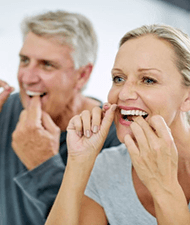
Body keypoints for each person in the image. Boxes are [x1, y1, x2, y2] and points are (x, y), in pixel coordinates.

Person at [45, 24, 190, 225]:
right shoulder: (107, 167)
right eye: (119, 78)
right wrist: (78, 164)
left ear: (187, 97)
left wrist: (163, 188)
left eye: (148, 80)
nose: (123, 94)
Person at [0, 10, 120, 225]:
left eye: (47, 65)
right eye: (24, 60)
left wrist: (43, 166)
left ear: (82, 75)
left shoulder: (113, 138)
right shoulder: (3, 110)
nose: (27, 77)